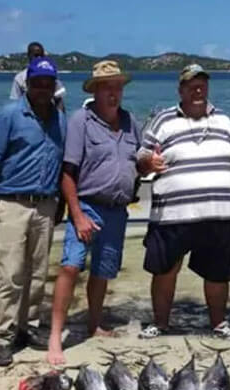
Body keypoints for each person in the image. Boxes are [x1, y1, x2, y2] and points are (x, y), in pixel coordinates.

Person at [135, 64, 230, 341]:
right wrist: (149, 162)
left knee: (218, 274)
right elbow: (142, 159)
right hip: (172, 214)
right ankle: (161, 324)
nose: (198, 90)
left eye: (202, 84)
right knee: (165, 271)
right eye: (191, 85)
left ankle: (219, 324)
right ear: (180, 89)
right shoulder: (163, 120)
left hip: (219, 213)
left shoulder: (225, 120)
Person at [0, 56, 67, 367]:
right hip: (12, 203)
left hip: (46, 204)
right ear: (28, 85)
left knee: (37, 273)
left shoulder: (60, 120)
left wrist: (61, 205)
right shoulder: (8, 114)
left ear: (54, 86)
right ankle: (2, 336)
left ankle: (28, 327)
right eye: (37, 83)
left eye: (48, 84)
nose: (43, 89)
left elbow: (61, 165)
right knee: (11, 273)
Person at [46, 60, 140, 365]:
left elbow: (137, 162)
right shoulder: (81, 121)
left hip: (118, 210)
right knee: (71, 266)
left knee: (102, 271)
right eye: (107, 88)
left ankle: (94, 324)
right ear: (95, 91)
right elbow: (67, 172)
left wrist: (148, 165)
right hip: (87, 205)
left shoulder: (131, 122)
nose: (113, 93)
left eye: (117, 87)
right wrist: (77, 214)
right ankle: (55, 337)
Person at [10, 41, 66, 109]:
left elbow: (59, 100)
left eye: (41, 56)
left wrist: (60, 115)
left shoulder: (50, 75)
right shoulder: (19, 78)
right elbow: (15, 101)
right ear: (29, 55)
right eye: (36, 55)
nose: (39, 58)